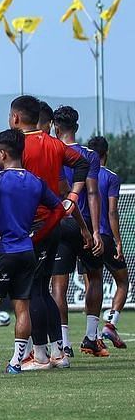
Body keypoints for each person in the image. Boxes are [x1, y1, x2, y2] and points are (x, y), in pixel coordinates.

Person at [0, 129, 66, 375]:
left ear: (3, 154)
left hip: (3, 249)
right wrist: (37, 235)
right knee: (22, 307)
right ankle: (16, 363)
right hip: (27, 251)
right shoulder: (35, 181)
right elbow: (59, 209)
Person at [9, 95, 90, 368]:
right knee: (43, 290)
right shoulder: (55, 144)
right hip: (54, 222)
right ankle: (59, 353)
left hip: (30, 224)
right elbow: (82, 164)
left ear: (16, 118)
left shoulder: (17, 146)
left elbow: (10, 185)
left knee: (32, 291)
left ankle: (41, 355)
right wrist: (74, 196)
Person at [49, 106, 106, 357]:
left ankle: (64, 344)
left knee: (58, 285)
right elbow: (92, 192)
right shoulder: (90, 155)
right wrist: (94, 230)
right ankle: (91, 337)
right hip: (84, 226)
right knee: (95, 277)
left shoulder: (52, 150)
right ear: (77, 127)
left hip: (60, 223)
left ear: (55, 126)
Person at [87, 136, 128, 350]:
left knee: (92, 282)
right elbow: (112, 211)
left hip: (86, 237)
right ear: (107, 153)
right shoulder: (111, 177)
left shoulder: (84, 175)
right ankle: (111, 324)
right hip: (104, 236)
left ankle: (92, 337)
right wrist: (118, 241)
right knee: (123, 282)